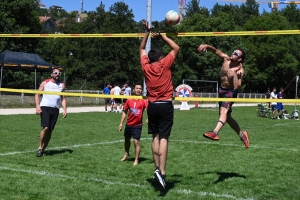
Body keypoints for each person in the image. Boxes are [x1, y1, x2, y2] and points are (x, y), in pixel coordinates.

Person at [140, 21, 180, 189]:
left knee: (155, 137)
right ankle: (162, 172)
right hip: (164, 105)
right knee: (164, 138)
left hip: (152, 105)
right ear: (160, 58)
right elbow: (176, 48)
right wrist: (163, 36)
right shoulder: (164, 64)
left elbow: (142, 49)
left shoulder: (146, 66)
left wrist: (147, 32)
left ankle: (156, 168)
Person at [197, 44, 249, 148]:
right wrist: (207, 46)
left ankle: (215, 132)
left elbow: (237, 86)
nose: (233, 53)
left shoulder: (240, 70)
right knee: (228, 117)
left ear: (239, 59)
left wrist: (233, 73)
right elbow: (216, 51)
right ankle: (243, 136)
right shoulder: (226, 59)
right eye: (234, 51)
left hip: (230, 92)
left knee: (223, 112)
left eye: (236, 53)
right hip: (221, 90)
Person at [35, 68, 67, 157]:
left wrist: (65, 109)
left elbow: (63, 98)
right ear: (51, 74)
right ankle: (40, 147)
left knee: (50, 130)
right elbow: (37, 95)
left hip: (55, 108)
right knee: (45, 127)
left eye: (59, 73)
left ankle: (43, 150)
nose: (57, 74)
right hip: (45, 107)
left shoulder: (62, 85)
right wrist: (37, 106)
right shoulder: (45, 83)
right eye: (55, 73)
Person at [118, 83, 148, 166]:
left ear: (142, 90)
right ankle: (127, 153)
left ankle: (136, 159)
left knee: (136, 142)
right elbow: (125, 111)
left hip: (137, 125)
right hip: (129, 124)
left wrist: (149, 118)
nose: (139, 90)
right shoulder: (129, 100)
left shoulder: (143, 100)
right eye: (137, 88)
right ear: (134, 90)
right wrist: (121, 123)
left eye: (140, 88)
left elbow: (150, 110)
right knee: (127, 140)